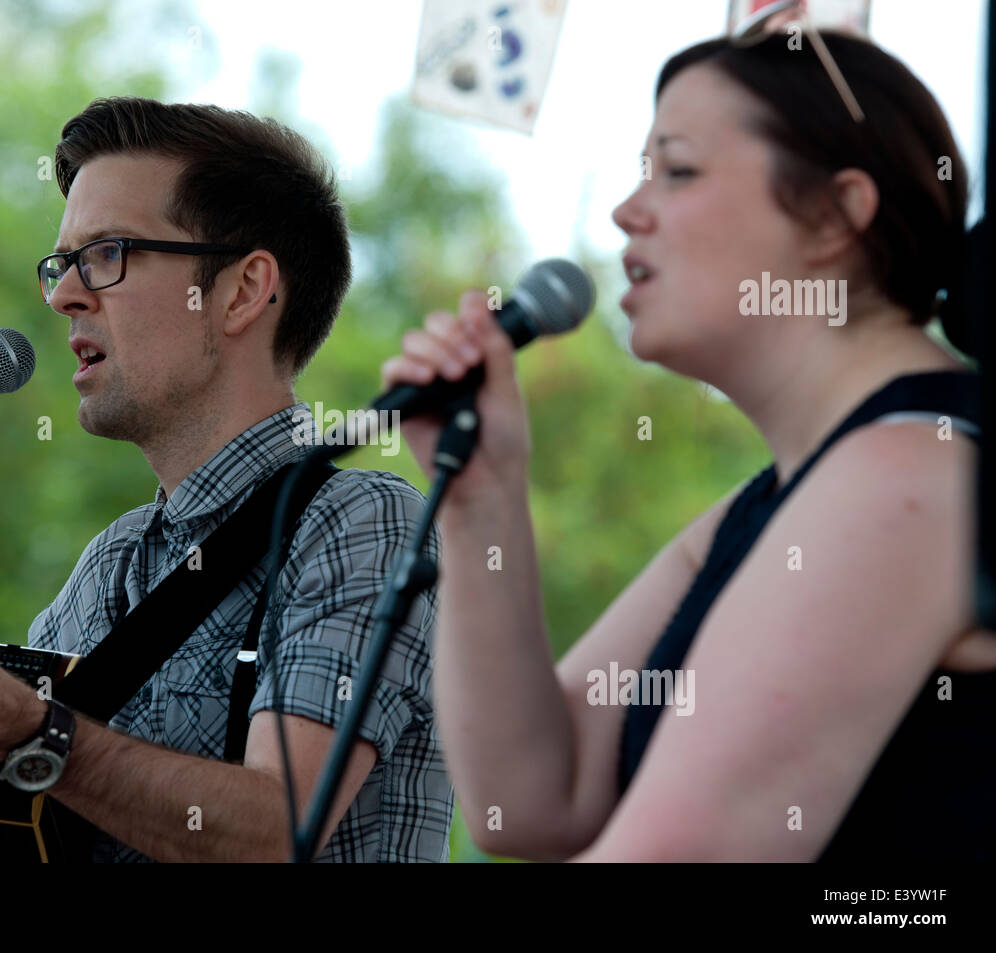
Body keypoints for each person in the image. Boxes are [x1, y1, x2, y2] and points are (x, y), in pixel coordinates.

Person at [381, 30, 993, 861]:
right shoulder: (769, 506)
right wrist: (481, 497)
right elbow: (528, 801)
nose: (628, 211)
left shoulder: (910, 476)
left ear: (835, 215)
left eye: (678, 170)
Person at [0, 97, 452, 863]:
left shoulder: (362, 520)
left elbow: (279, 828)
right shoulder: (106, 567)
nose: (63, 295)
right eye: (62, 263)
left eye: (108, 253)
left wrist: (22, 724)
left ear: (245, 291)